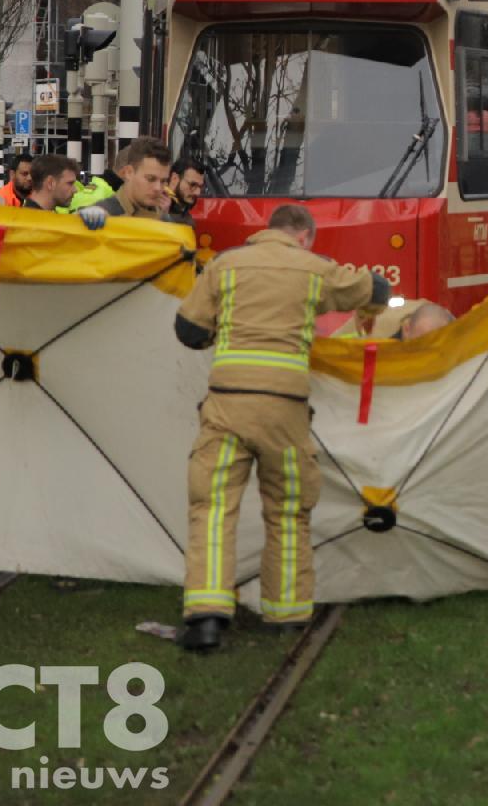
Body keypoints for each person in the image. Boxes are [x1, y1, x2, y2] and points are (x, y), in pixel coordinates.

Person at [171, 204, 391, 650]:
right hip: (285, 412)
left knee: (212, 508)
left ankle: (207, 617)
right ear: (305, 237)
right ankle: (286, 614)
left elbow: (188, 330)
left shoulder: (224, 266)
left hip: (227, 407)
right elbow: (378, 290)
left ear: (265, 232)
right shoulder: (315, 270)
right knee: (288, 509)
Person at [95, 137, 171, 221]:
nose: (158, 188)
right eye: (150, 179)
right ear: (128, 172)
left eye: (163, 181)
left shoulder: (163, 219)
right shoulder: (100, 217)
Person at [166, 157, 206, 225]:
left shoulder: (183, 215)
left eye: (200, 187)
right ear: (174, 179)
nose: (198, 193)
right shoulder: (152, 210)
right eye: (193, 185)